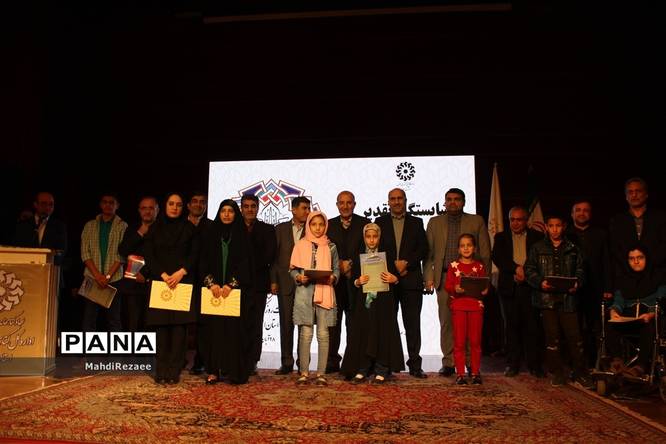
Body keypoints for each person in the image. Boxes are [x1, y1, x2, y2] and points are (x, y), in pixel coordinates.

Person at [424, 188, 490, 377]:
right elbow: (428, 255)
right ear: (444, 202)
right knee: (447, 322)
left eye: (457, 199)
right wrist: (428, 277)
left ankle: (469, 363)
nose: (453, 202)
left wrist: (485, 282)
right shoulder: (434, 222)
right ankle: (449, 362)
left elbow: (485, 253)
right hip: (445, 277)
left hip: (472, 279)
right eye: (449, 199)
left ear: (464, 202)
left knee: (470, 322)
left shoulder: (476, 221)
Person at [525, 214, 592, 388]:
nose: (555, 229)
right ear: (546, 227)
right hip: (547, 300)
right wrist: (540, 282)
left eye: (558, 226)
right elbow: (529, 270)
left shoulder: (573, 248)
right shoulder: (537, 248)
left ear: (564, 227)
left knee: (575, 337)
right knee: (552, 338)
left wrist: (577, 283)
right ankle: (557, 372)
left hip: (568, 299)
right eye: (551, 226)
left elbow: (581, 269)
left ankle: (580, 372)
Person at [144, 192, 199, 384]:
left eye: (178, 205)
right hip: (161, 282)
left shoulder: (189, 229)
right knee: (161, 329)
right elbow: (149, 254)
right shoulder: (155, 228)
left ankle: (174, 372)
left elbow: (195, 254)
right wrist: (163, 275)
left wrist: (180, 272)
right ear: (165, 206)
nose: (175, 208)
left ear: (183, 208)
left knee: (178, 330)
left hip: (181, 282)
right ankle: (161, 371)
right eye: (171, 204)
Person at [199, 199, 254, 385]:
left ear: (235, 214)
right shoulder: (210, 234)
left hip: (234, 293)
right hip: (213, 292)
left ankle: (234, 371)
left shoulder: (243, 236)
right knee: (214, 332)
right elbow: (203, 262)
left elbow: (246, 264)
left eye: (231, 211)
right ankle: (213, 370)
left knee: (234, 332)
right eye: (223, 210)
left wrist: (231, 284)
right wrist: (211, 284)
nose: (227, 214)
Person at [375, 188, 429, 378]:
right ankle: (387, 365)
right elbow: (376, 248)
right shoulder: (379, 222)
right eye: (393, 199)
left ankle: (415, 365)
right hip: (387, 280)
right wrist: (394, 266)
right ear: (388, 202)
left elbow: (423, 249)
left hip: (411, 280)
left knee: (412, 324)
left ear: (405, 200)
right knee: (388, 324)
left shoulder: (417, 222)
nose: (396, 202)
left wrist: (406, 264)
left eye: (400, 198)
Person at [342, 223, 404, 384]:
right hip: (364, 303)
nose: (371, 240)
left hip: (383, 303)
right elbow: (352, 280)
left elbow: (397, 278)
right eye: (368, 236)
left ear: (379, 237)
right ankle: (362, 369)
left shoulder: (387, 255)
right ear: (364, 238)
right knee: (364, 333)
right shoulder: (358, 256)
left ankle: (381, 369)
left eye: (375, 236)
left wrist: (394, 279)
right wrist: (358, 281)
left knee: (382, 333)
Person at [492, 206, 544, 377]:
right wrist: (515, 269)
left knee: (532, 327)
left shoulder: (538, 237)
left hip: (530, 287)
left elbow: (540, 260)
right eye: (512, 219)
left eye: (519, 219)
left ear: (526, 221)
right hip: (509, 287)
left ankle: (534, 365)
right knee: (511, 327)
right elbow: (498, 257)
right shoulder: (501, 237)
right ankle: (512, 364)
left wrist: (525, 272)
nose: (515, 223)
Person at [290, 211, 339, 385]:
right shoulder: (300, 244)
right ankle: (304, 372)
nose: (318, 228)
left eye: (321, 224)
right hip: (305, 293)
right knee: (305, 333)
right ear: (308, 225)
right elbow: (293, 269)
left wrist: (333, 277)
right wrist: (298, 277)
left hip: (324, 291)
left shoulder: (331, 246)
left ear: (325, 226)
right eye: (314, 224)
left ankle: (321, 374)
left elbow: (336, 269)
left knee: (323, 334)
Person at [325, 190, 371, 373]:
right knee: (332, 325)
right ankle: (331, 361)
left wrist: (351, 265)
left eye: (349, 202)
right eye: (341, 203)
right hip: (334, 283)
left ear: (354, 204)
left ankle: (354, 362)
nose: (345, 206)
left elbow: (369, 250)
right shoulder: (328, 225)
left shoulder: (365, 223)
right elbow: (323, 251)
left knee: (354, 325)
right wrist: (339, 265)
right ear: (337, 205)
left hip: (356, 282)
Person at [605, 245, 666, 377]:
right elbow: (619, 301)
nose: (636, 261)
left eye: (640, 258)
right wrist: (614, 311)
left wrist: (650, 314)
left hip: (648, 318)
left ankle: (640, 366)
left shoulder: (658, 278)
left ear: (647, 258)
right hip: (629, 319)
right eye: (631, 259)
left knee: (648, 327)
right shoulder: (623, 280)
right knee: (610, 324)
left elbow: (661, 300)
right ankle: (617, 361)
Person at [565, 199, 613, 368]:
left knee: (596, 329)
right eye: (578, 210)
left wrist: (608, 287)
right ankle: (576, 364)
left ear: (590, 214)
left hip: (596, 288)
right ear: (572, 214)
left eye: (585, 210)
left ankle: (596, 363)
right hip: (572, 290)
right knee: (574, 328)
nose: (582, 213)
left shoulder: (601, 234)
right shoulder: (566, 234)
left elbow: (607, 262)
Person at [270, 196, 311, 375]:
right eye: (304, 208)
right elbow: (274, 258)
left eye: (308, 208)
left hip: (306, 284)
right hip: (285, 283)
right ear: (293, 209)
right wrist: (273, 281)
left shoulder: (313, 229)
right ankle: (286, 362)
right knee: (286, 325)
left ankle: (303, 364)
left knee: (304, 325)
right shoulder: (280, 229)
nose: (307, 211)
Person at [445, 233, 489, 385]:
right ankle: (460, 374)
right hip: (459, 306)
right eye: (462, 246)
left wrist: (485, 290)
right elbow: (448, 285)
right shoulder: (453, 266)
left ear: (474, 248)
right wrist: (455, 288)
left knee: (475, 341)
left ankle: (475, 372)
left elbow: (484, 286)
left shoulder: (479, 266)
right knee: (459, 342)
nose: (466, 248)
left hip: (476, 307)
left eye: (469, 245)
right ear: (458, 249)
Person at [80, 193, 127, 333]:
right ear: (101, 204)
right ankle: (89, 347)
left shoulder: (122, 226)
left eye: (111, 202)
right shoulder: (90, 225)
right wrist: (97, 276)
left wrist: (107, 277)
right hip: (92, 277)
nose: (108, 205)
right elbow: (85, 252)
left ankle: (115, 348)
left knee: (114, 320)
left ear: (117, 205)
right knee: (88, 319)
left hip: (114, 279)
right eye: (105, 202)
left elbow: (122, 254)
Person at [240, 193, 277, 374]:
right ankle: (237, 358)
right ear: (241, 209)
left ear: (258, 208)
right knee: (238, 323)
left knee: (255, 323)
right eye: (246, 206)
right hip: (235, 285)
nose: (249, 210)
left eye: (253, 206)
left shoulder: (267, 229)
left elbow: (269, 255)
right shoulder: (234, 228)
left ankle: (253, 360)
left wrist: (246, 263)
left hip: (258, 284)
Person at [609, 178, 666, 283]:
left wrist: (648, 263)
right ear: (626, 197)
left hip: (657, 276)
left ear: (646, 194)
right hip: (627, 279)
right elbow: (615, 249)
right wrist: (630, 265)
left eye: (638, 191)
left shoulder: (661, 217)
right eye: (630, 192)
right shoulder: (617, 221)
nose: (634, 195)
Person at [117, 196, 159, 332]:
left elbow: (163, 256)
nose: (147, 211)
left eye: (151, 208)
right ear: (139, 210)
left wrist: (145, 274)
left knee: (151, 325)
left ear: (157, 210)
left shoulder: (163, 229)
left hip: (154, 283)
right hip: (133, 285)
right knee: (132, 325)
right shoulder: (132, 228)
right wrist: (140, 232)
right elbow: (123, 250)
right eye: (144, 208)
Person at [185, 191, 213, 375]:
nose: (198, 204)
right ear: (188, 205)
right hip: (181, 280)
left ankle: (200, 361)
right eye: (194, 201)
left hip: (205, 281)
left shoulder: (211, 226)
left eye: (202, 202)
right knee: (181, 322)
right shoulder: (179, 225)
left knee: (203, 323)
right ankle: (178, 359)